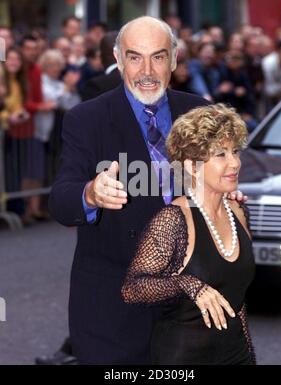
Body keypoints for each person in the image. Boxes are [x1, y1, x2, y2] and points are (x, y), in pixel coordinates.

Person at [49, 16, 245, 365]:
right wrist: (91, 194)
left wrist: (224, 195)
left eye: (158, 56)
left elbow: (217, 177)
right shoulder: (87, 118)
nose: (147, 70)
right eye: (135, 57)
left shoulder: (198, 110)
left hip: (190, 309)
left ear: (173, 59)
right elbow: (61, 199)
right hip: (114, 310)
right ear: (118, 59)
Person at [122, 104, 256, 365]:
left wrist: (249, 356)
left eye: (235, 151)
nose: (235, 163)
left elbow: (236, 299)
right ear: (191, 166)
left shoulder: (238, 210)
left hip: (236, 356)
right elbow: (132, 289)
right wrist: (187, 284)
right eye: (220, 154)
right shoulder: (172, 220)